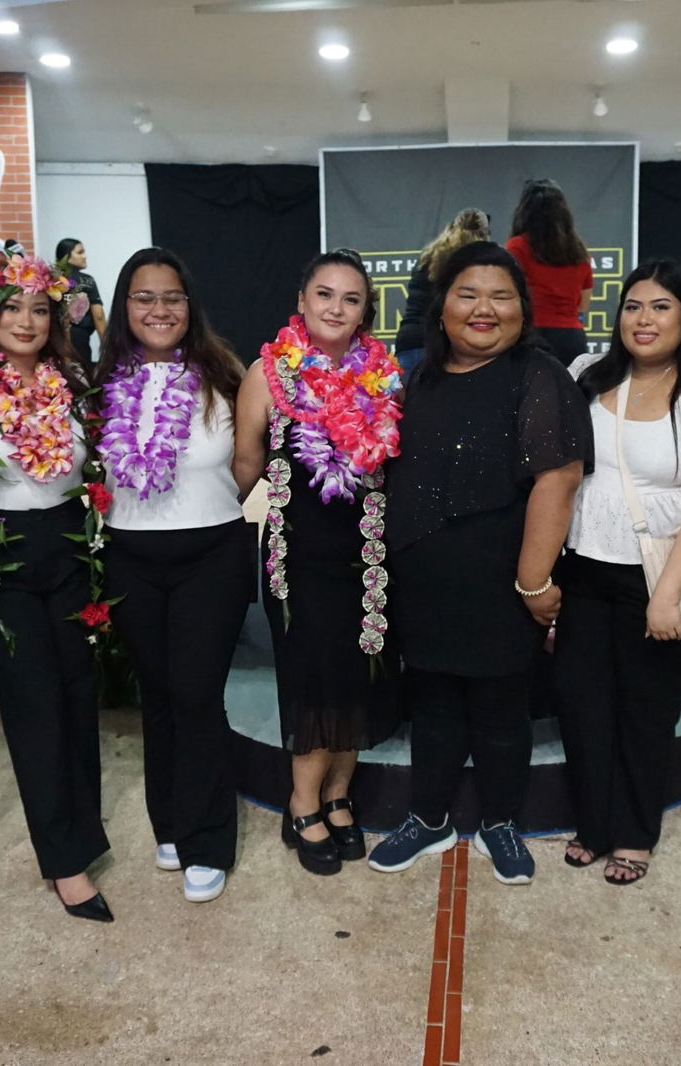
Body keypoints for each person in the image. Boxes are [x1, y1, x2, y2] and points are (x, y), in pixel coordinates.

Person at [369, 240, 591, 886]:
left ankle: (501, 822)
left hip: (503, 580)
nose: (483, 309)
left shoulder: (538, 375)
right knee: (433, 702)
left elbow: (559, 478)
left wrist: (533, 581)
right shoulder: (417, 379)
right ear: (442, 308)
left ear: (523, 309)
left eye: (500, 295)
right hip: (422, 579)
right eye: (468, 294)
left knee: (500, 711)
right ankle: (428, 817)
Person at [0, 251, 113, 922]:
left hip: (68, 545)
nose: (27, 321)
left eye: (39, 308)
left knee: (76, 692)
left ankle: (82, 834)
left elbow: (95, 469)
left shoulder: (74, 379)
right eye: (12, 307)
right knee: (33, 703)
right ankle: (62, 862)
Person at [554, 261, 681, 886]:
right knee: (583, 706)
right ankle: (594, 823)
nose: (644, 319)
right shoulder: (585, 376)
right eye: (633, 306)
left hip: (659, 575)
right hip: (583, 566)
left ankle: (635, 833)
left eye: (661, 307)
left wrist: (666, 598)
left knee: (645, 711)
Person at [233, 248, 403, 878]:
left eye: (351, 298)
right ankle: (302, 801)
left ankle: (337, 795)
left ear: (365, 312)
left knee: (359, 675)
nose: (336, 307)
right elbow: (245, 466)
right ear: (302, 301)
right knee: (314, 679)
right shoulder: (268, 374)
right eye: (324, 294)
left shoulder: (383, 377)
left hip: (368, 555)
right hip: (298, 555)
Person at [97, 248, 249, 903]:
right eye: (143, 297)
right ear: (123, 308)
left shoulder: (224, 373)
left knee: (196, 694)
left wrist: (204, 510)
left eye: (172, 297)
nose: (159, 310)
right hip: (129, 554)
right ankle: (171, 822)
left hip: (211, 553)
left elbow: (246, 464)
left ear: (191, 306)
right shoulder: (97, 382)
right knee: (156, 697)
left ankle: (208, 839)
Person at [504, 179, 593, 367]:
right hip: (573, 340)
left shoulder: (516, 248)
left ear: (524, 211)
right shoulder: (579, 252)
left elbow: (506, 297)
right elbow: (582, 305)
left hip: (532, 336)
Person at [394, 208, 489, 373]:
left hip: (408, 342)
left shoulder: (428, 255)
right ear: (483, 234)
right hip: (437, 346)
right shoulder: (469, 261)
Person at [55, 238, 107, 362]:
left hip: (53, 340)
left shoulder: (50, 280)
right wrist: (106, 347)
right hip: (79, 339)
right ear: (67, 256)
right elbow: (98, 316)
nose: (84, 256)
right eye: (80, 252)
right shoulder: (87, 281)